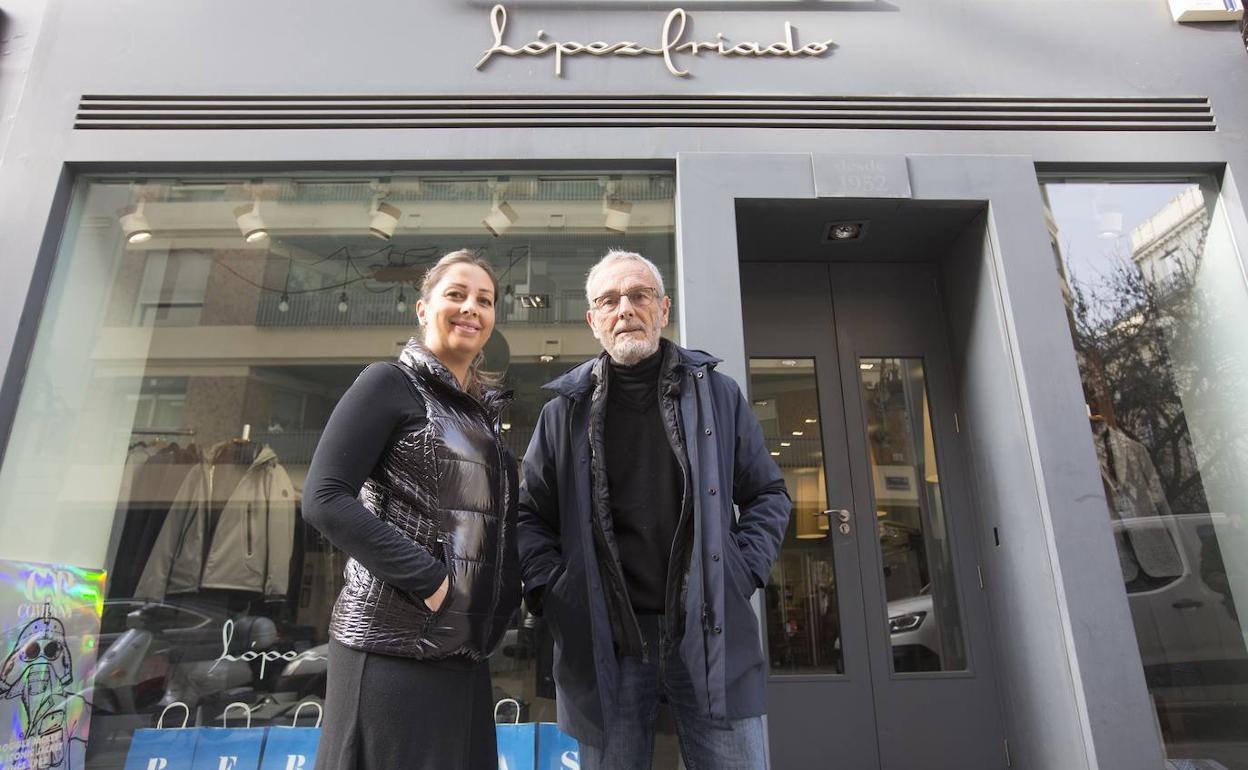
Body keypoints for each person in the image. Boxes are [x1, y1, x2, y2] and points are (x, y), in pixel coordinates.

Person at [518, 250, 791, 769]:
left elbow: (767, 494)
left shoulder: (718, 395)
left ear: (663, 309)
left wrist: (742, 568)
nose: (626, 308)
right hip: (608, 643)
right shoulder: (563, 412)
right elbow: (529, 515)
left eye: (639, 295)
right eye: (609, 300)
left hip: (711, 632)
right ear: (592, 319)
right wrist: (555, 591)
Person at [303, 250, 521, 770]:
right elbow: (324, 497)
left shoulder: (480, 415)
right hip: (392, 646)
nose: (471, 307)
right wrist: (430, 581)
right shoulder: (388, 383)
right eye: (456, 294)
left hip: (460, 650)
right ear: (423, 309)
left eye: (484, 300)